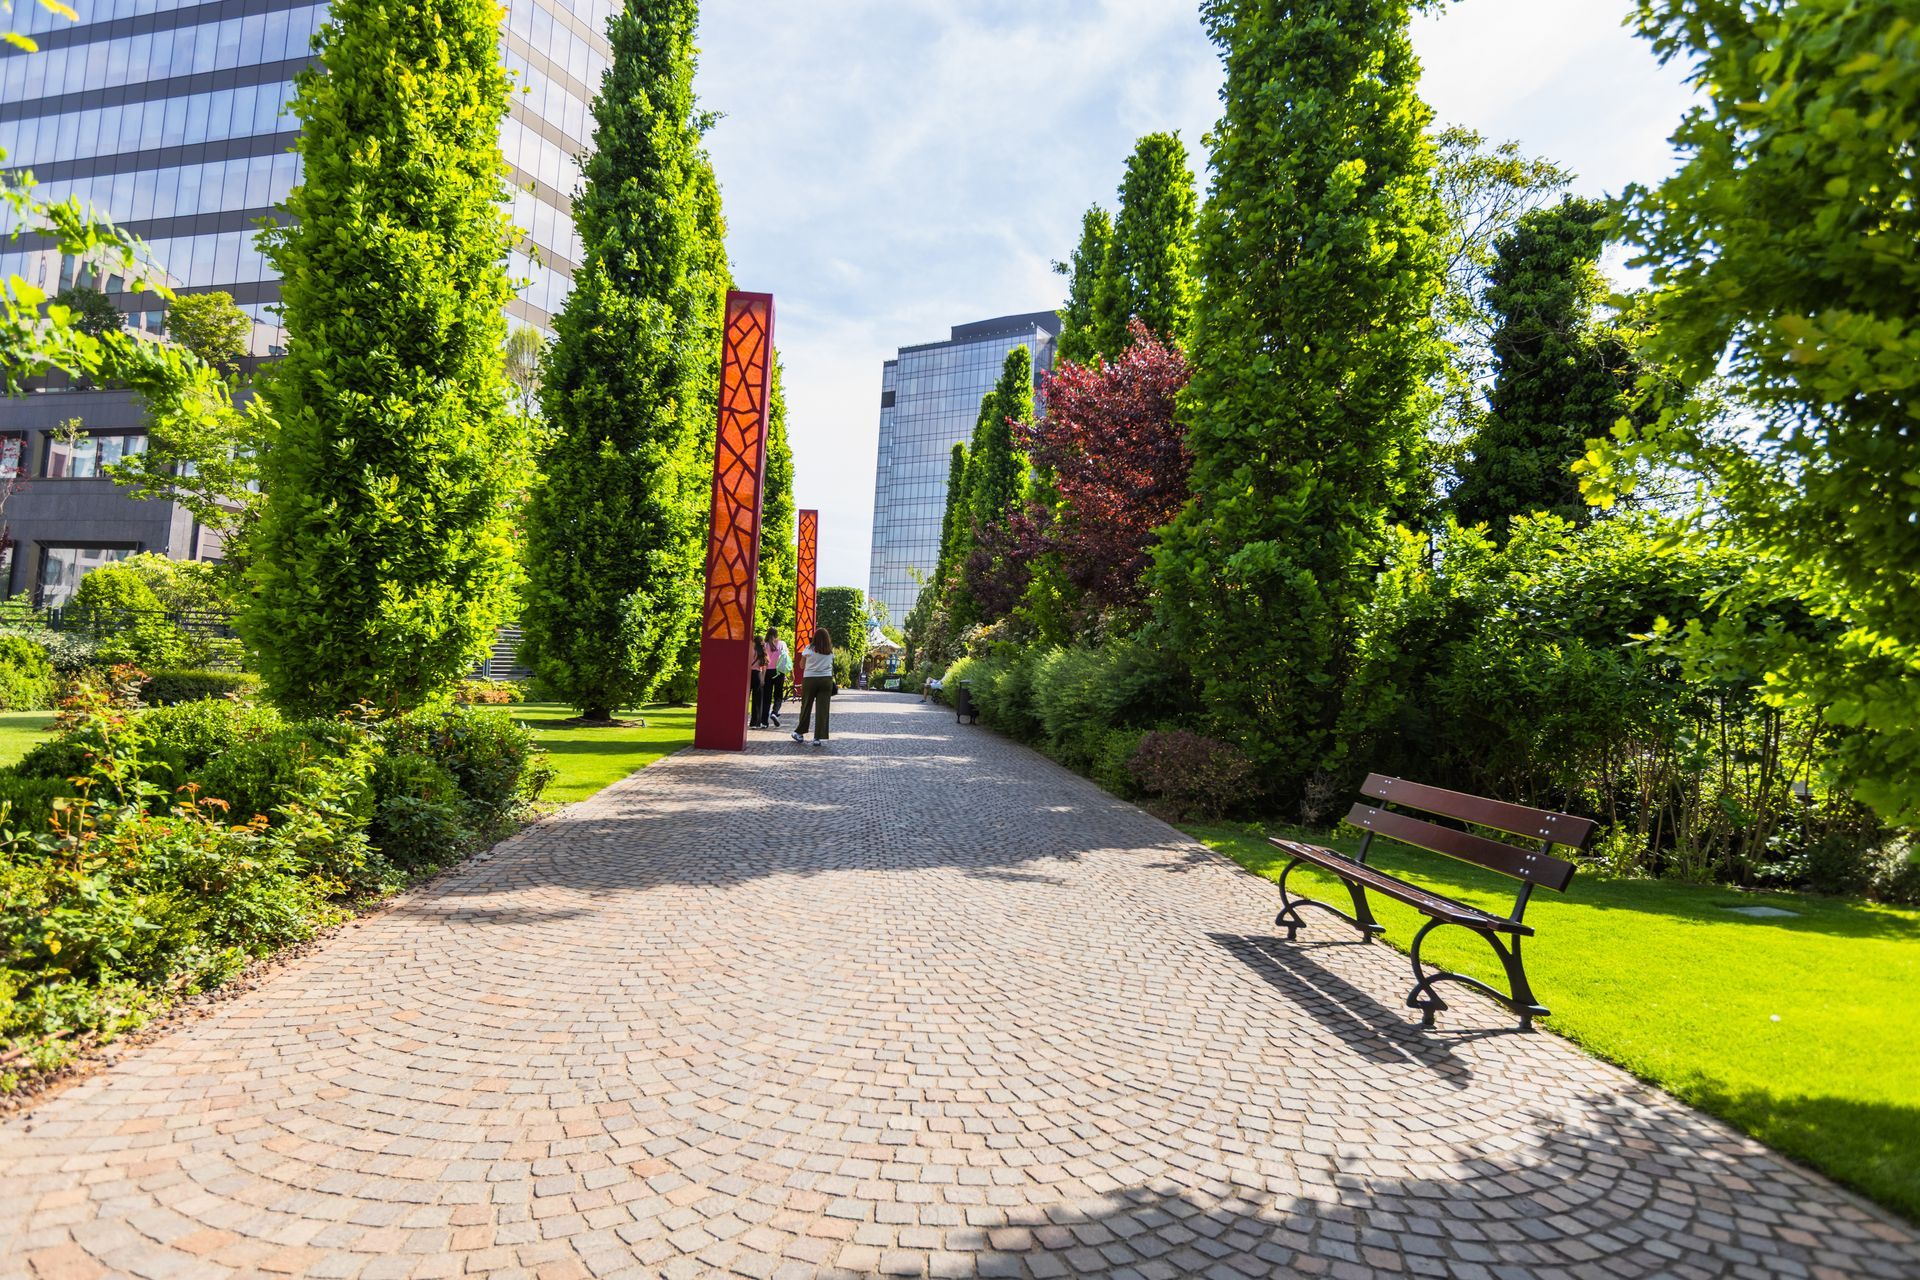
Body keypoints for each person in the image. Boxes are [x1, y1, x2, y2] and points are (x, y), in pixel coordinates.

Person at [792, 626, 835, 745]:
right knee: (823, 709)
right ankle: (818, 738)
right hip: (826, 680)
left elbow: (801, 665)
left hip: (810, 679)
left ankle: (800, 733)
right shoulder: (830, 651)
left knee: (806, 706)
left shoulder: (808, 649)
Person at [763, 627, 787, 728]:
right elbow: (785, 659)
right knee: (778, 695)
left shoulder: (765, 645)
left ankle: (764, 722)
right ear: (777, 634)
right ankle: (774, 712)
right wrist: (785, 673)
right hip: (779, 672)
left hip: (767, 672)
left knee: (766, 696)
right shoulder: (782, 644)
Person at [748, 634, 771, 729]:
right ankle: (755, 723)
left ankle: (743, 720)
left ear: (754, 642)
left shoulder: (751, 650)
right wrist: (762, 679)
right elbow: (764, 667)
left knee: (745, 699)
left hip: (749, 675)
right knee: (757, 700)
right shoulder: (762, 652)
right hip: (758, 674)